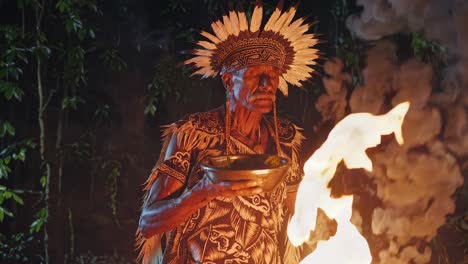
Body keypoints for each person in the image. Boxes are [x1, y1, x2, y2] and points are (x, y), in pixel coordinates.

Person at [136, 1, 320, 263]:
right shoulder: (195, 134)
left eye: (274, 75)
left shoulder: (285, 140)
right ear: (227, 80)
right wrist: (202, 193)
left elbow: (303, 215)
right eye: (255, 74)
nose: (267, 85)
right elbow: (149, 223)